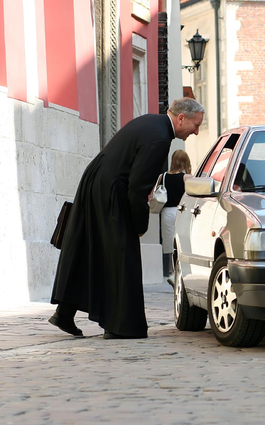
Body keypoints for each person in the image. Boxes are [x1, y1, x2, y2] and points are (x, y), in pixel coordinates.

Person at [49, 98, 204, 339]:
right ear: (181, 118)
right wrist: (139, 223)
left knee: (92, 249)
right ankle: (118, 325)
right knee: (122, 257)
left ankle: (64, 313)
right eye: (196, 125)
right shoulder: (160, 138)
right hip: (112, 189)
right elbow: (138, 188)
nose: (196, 131)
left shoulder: (153, 123)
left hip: (98, 182)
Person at [159, 150, 192, 284]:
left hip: (166, 212)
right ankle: (180, 272)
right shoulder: (187, 177)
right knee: (182, 241)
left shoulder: (163, 176)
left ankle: (171, 271)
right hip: (181, 211)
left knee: (168, 242)